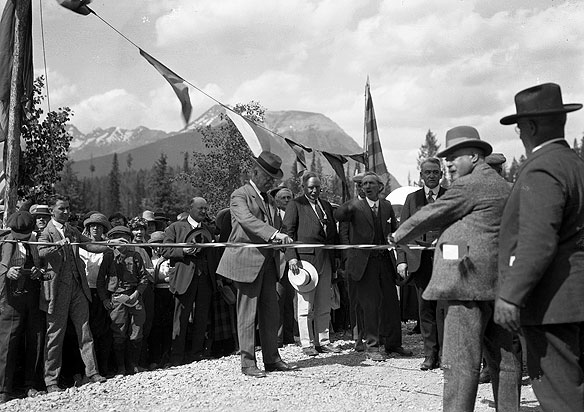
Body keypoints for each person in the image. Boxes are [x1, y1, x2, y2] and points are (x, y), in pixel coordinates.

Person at [394, 126, 521, 412]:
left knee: (460, 365)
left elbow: (432, 213)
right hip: (498, 287)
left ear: (474, 156)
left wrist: (397, 236)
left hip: (467, 289)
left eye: (454, 157)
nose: (448, 164)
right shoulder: (504, 186)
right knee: (505, 361)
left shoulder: (470, 184)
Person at [494, 83, 584, 412]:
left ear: (530, 127)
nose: (519, 134)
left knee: (561, 397)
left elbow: (538, 240)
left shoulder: (543, 167)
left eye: (519, 127)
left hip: (552, 304)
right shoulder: (574, 164)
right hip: (573, 299)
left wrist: (511, 295)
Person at [216, 151, 294, 378]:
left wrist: (280, 240)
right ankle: (248, 363)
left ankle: (272, 358)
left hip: (269, 264)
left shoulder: (269, 199)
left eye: (274, 178)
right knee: (247, 314)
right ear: (254, 172)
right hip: (246, 263)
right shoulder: (239, 195)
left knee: (271, 313)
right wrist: (274, 235)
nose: (271, 182)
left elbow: (276, 226)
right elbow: (247, 221)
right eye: (268, 177)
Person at [334, 171, 410, 361]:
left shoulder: (386, 206)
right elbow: (338, 215)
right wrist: (349, 203)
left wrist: (401, 258)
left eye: (370, 183)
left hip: (384, 262)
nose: (367, 186)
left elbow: (395, 234)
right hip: (364, 264)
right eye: (364, 184)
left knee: (391, 304)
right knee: (370, 305)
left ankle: (393, 344)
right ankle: (372, 346)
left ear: (380, 187)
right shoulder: (355, 206)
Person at [38, 195, 111, 392]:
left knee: (85, 331)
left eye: (68, 208)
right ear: (52, 210)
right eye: (62, 208)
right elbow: (41, 252)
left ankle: (92, 372)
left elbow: (90, 245)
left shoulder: (72, 230)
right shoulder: (46, 232)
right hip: (57, 290)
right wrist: (57, 245)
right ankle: (51, 381)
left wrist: (111, 244)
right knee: (55, 335)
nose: (66, 212)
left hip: (78, 287)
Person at [396, 158, 446, 370]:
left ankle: (445, 355)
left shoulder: (450, 196)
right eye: (428, 172)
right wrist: (401, 260)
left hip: (444, 261)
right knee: (425, 309)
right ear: (421, 175)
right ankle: (430, 355)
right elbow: (403, 231)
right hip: (419, 261)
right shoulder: (412, 199)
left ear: (441, 175)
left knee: (443, 310)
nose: (432, 175)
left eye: (435, 172)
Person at [284, 172, 340, 357]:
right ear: (303, 188)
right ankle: (306, 343)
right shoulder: (295, 205)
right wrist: (292, 257)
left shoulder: (326, 206)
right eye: (311, 187)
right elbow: (288, 231)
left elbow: (332, 234)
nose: (315, 191)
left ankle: (323, 341)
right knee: (305, 305)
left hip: (326, 260)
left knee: (324, 303)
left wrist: (336, 256)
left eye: (317, 187)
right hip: (305, 262)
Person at [162, 197, 215, 366]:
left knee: (202, 317)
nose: (204, 212)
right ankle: (177, 357)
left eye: (205, 209)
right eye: (200, 208)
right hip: (183, 279)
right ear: (190, 208)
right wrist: (182, 250)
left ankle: (197, 354)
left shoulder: (208, 229)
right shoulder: (175, 228)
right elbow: (165, 250)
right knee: (180, 318)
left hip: (205, 279)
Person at [0, 212, 45, 402]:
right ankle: (3, 389)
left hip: (33, 293)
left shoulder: (36, 240)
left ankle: (30, 384)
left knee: (35, 339)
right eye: (18, 235)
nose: (21, 239)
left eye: (24, 235)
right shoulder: (3, 241)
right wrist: (6, 271)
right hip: (10, 297)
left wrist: (38, 271)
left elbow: (44, 266)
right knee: (7, 341)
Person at [97, 226, 149, 375]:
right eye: (117, 238)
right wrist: (105, 299)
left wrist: (137, 294)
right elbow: (101, 281)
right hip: (116, 298)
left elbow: (144, 278)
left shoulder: (135, 256)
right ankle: (121, 367)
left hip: (134, 297)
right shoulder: (108, 256)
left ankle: (134, 365)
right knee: (118, 333)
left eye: (125, 238)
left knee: (137, 331)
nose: (121, 241)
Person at [79, 213, 113, 377]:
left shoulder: (108, 248)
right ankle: (84, 371)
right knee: (84, 330)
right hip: (83, 291)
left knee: (101, 330)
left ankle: (102, 368)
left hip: (101, 292)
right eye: (92, 226)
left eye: (99, 226)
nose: (95, 229)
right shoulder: (80, 246)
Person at [269, 184, 296, 347]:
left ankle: (289, 336)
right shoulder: (272, 215)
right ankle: (277, 338)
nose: (286, 200)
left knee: (290, 301)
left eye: (289, 197)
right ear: (276, 201)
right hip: (277, 263)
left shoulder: (296, 213)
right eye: (283, 198)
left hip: (294, 262)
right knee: (277, 300)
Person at [147, 231, 173, 369]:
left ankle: (167, 356)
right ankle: (155, 358)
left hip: (169, 292)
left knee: (168, 325)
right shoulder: (150, 259)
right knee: (155, 325)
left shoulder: (170, 259)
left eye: (160, 244)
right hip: (155, 293)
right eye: (154, 245)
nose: (158, 248)